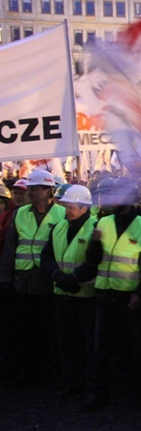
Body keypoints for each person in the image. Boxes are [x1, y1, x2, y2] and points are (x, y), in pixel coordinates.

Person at [84, 181, 141, 411]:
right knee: (100, 347)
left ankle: (136, 395)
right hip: (105, 293)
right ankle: (98, 394)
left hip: (130, 297)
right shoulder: (103, 222)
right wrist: (93, 243)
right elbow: (93, 259)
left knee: (136, 349)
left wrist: (140, 293)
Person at [0, 169, 66, 385]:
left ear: (48, 191)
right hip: (23, 280)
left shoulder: (61, 213)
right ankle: (29, 370)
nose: (29, 192)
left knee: (48, 329)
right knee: (25, 330)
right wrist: (6, 278)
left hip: (47, 280)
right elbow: (11, 248)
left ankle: (49, 370)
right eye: (29, 188)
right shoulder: (21, 213)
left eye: (34, 188)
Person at [39, 184, 98, 404]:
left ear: (84, 207)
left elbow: (95, 261)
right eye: (65, 206)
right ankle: (72, 383)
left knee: (90, 345)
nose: (66, 210)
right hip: (62, 295)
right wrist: (56, 275)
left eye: (70, 206)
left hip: (86, 297)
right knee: (66, 343)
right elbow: (46, 257)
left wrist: (72, 279)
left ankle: (92, 387)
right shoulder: (59, 228)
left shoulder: (95, 228)